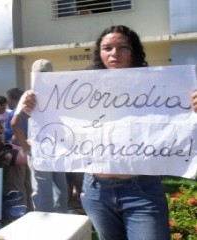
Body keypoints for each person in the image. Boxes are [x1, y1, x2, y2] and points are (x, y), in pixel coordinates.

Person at [19, 26, 172, 240]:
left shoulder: (159, 88)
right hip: (96, 191)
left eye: (123, 47)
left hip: (141, 189)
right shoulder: (83, 90)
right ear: (99, 53)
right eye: (107, 48)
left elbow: (175, 123)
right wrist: (35, 105)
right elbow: (59, 123)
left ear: (134, 51)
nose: (114, 53)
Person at [12, 59, 68, 214]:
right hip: (52, 150)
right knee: (55, 196)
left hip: (49, 151)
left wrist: (27, 147)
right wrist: (27, 147)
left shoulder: (31, 95)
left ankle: (55, 229)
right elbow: (14, 123)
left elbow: (15, 124)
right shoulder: (37, 96)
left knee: (51, 196)